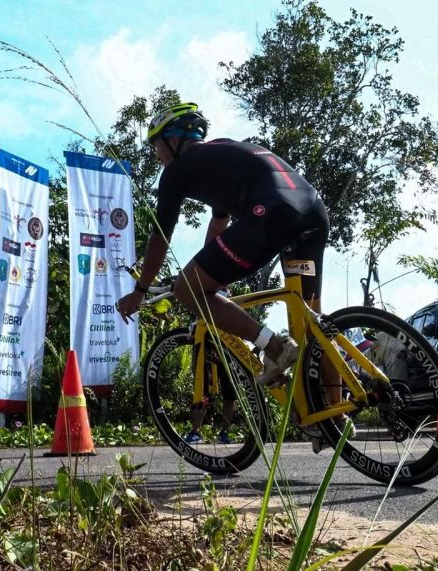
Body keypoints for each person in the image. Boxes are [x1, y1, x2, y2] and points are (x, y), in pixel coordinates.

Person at [117, 102, 343, 441]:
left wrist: (140, 290)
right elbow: (218, 224)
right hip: (311, 211)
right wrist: (215, 277)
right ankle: (333, 417)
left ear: (171, 140)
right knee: (313, 322)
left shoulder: (179, 169)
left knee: (187, 290)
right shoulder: (221, 154)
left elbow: (160, 237)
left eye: (155, 145)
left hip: (272, 212)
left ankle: (275, 348)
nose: (157, 154)